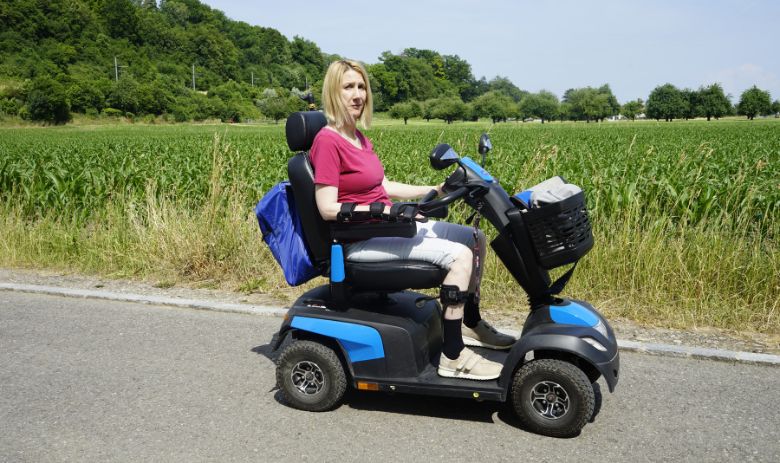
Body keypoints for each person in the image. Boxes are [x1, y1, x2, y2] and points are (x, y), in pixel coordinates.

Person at [309, 60, 515, 380]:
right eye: (348, 87)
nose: (357, 94)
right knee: (459, 257)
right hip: (359, 240)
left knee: (473, 239)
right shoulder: (327, 140)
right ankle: (453, 356)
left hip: (384, 227)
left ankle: (468, 322)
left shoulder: (359, 138)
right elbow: (327, 207)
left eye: (361, 86)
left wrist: (432, 189)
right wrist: (384, 211)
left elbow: (382, 187)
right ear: (333, 92)